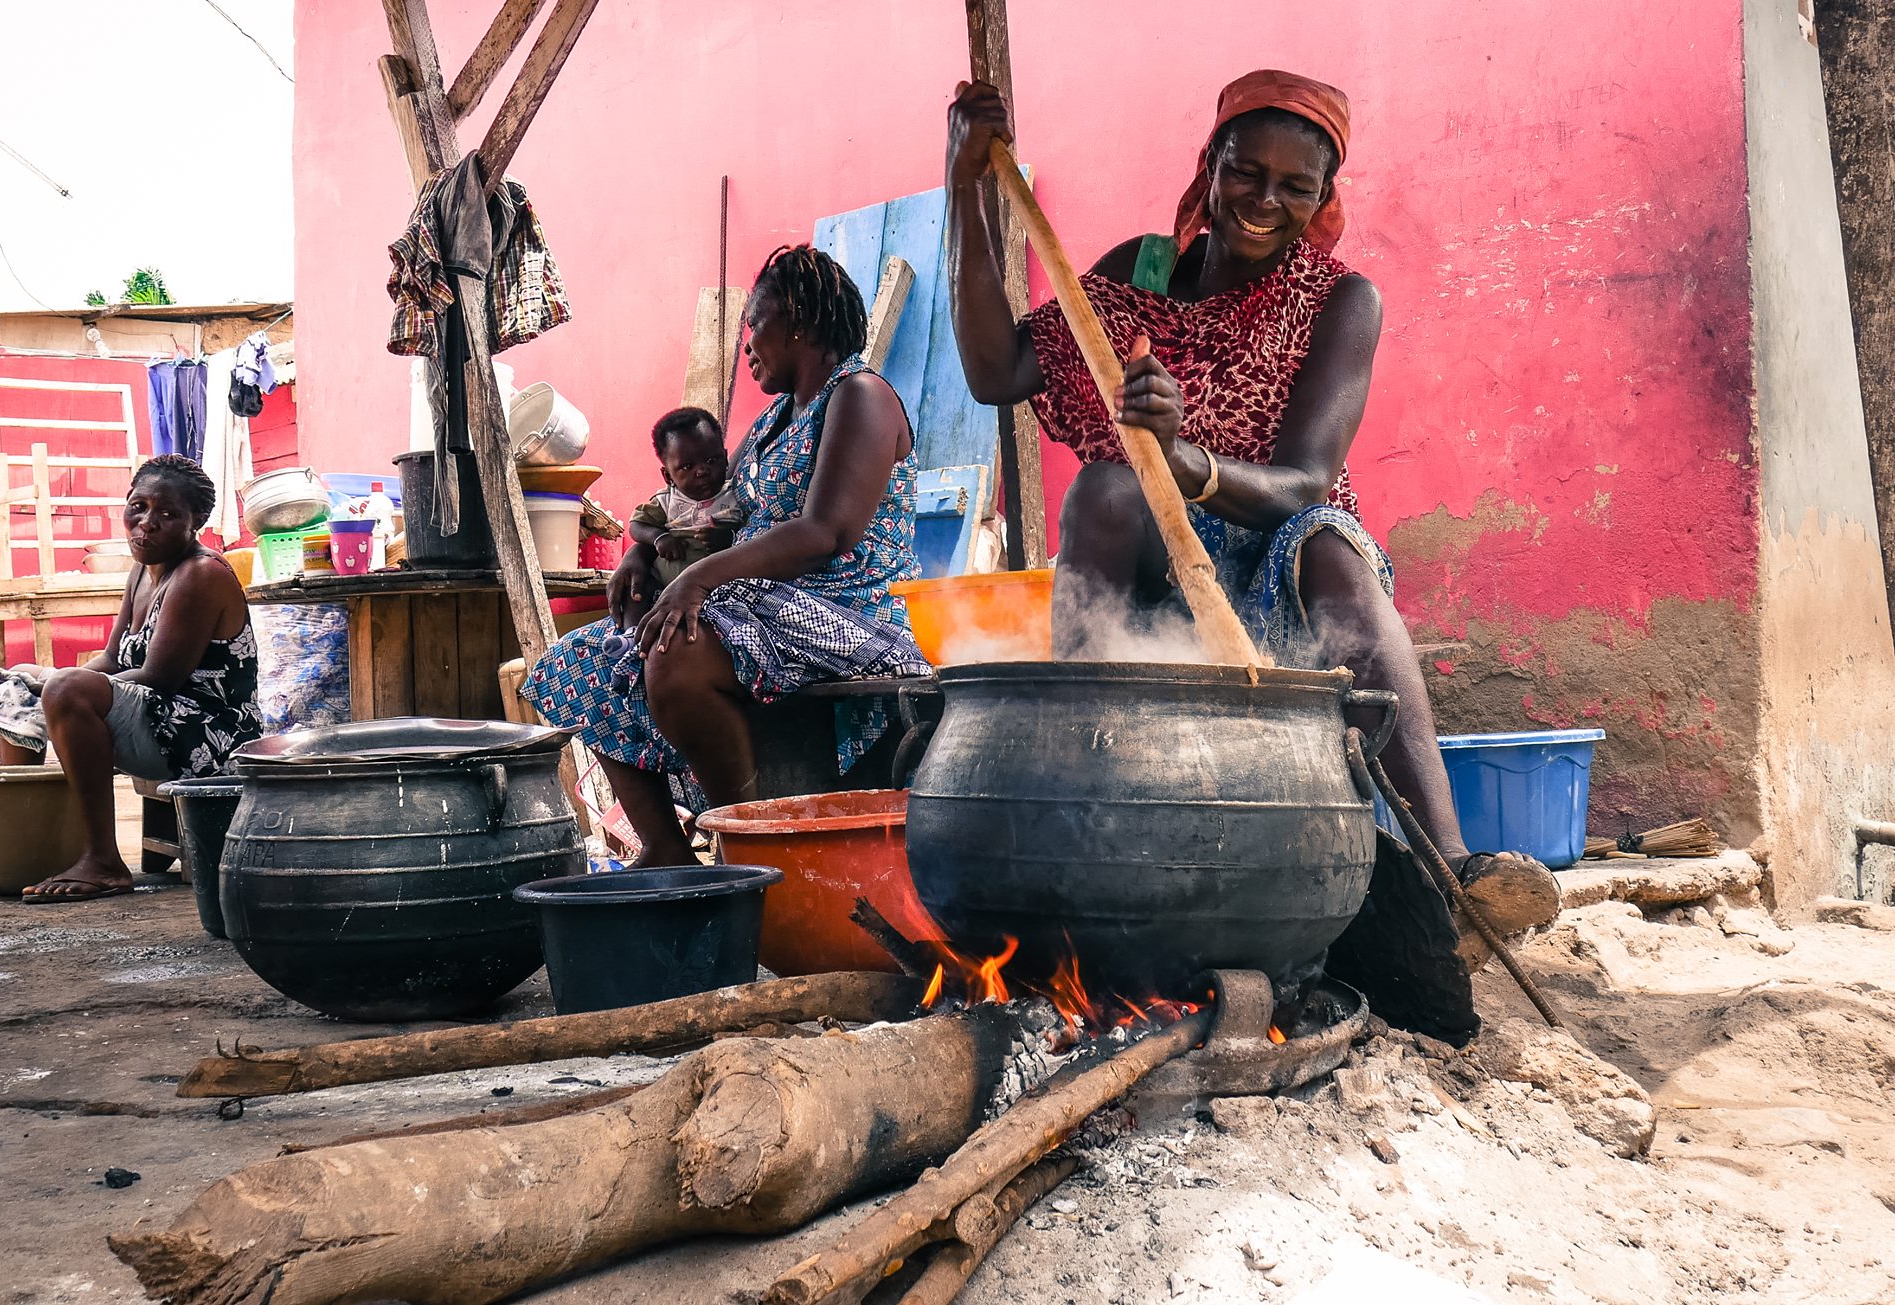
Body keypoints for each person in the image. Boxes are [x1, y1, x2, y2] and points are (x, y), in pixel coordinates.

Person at [943, 70, 1560, 964]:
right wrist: (964, 184)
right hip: (1159, 595)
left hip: (1285, 574)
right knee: (1106, 489)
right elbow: (995, 371)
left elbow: (1307, 481)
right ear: (1210, 166)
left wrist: (1189, 460)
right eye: (1245, 173)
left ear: (1323, 199)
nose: (1264, 201)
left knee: (1333, 546)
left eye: (1295, 186)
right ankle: (1086, 801)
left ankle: (1452, 868)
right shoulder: (1142, 272)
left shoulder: (1342, 300)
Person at [531, 245, 930, 867]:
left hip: (851, 612)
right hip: (763, 606)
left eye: (756, 322)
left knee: (675, 655)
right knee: (582, 661)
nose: (748, 342)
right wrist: (639, 554)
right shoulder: (774, 420)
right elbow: (708, 514)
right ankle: (665, 849)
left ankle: (743, 849)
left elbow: (828, 531)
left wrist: (698, 578)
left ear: (797, 318)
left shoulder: (860, 396)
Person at [0, 455, 261, 903]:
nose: (147, 523)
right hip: (161, 722)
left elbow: (159, 678)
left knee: (62, 688)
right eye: (139, 507)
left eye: (168, 514)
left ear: (195, 522)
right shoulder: (142, 568)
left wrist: (58, 684)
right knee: (18, 684)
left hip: (210, 735)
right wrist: (39, 680)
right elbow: (114, 658)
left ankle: (103, 860)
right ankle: (13, 848)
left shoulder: (200, 574)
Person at [617, 406, 746, 628]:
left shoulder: (736, 495)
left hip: (711, 588)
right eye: (687, 466)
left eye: (712, 460)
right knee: (637, 588)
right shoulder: (667, 501)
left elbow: (751, 533)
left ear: (725, 458)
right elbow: (637, 525)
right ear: (668, 475)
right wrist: (659, 538)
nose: (702, 471)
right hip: (662, 583)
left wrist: (729, 538)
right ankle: (630, 634)